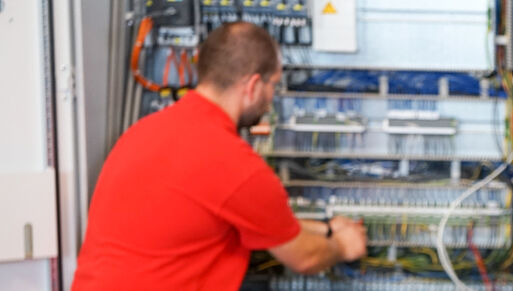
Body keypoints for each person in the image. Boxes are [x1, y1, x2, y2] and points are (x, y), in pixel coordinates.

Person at [72, 22, 366, 290]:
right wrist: (342, 246)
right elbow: (305, 258)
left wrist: (326, 228)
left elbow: (251, 222)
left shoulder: (143, 132)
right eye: (273, 85)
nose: (271, 99)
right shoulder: (234, 163)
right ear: (252, 86)